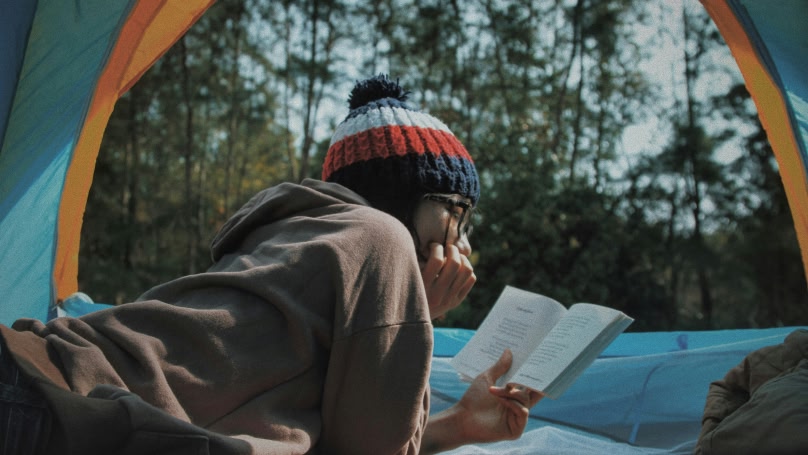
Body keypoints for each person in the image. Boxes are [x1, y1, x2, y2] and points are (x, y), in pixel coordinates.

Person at [0, 74, 541, 455]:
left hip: (36, 381)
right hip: (49, 405)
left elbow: (341, 433)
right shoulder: (382, 238)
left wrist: (457, 424)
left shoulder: (301, 237)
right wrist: (417, 314)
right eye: (456, 212)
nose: (463, 240)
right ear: (404, 197)